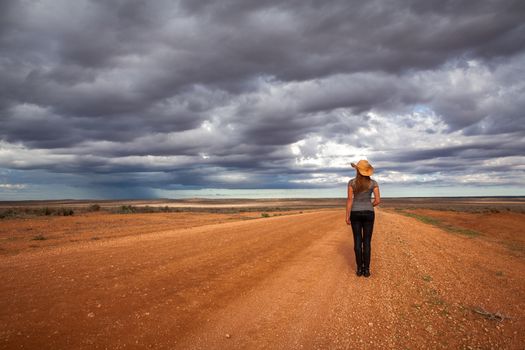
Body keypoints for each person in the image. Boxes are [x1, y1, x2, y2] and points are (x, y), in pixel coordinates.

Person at [345, 159, 381, 277]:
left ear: (357, 170)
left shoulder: (351, 183)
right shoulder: (373, 183)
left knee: (357, 241)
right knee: (367, 242)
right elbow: (377, 200)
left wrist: (347, 216)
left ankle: (359, 269)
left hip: (355, 213)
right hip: (369, 213)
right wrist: (369, 206)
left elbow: (350, 200)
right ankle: (367, 270)